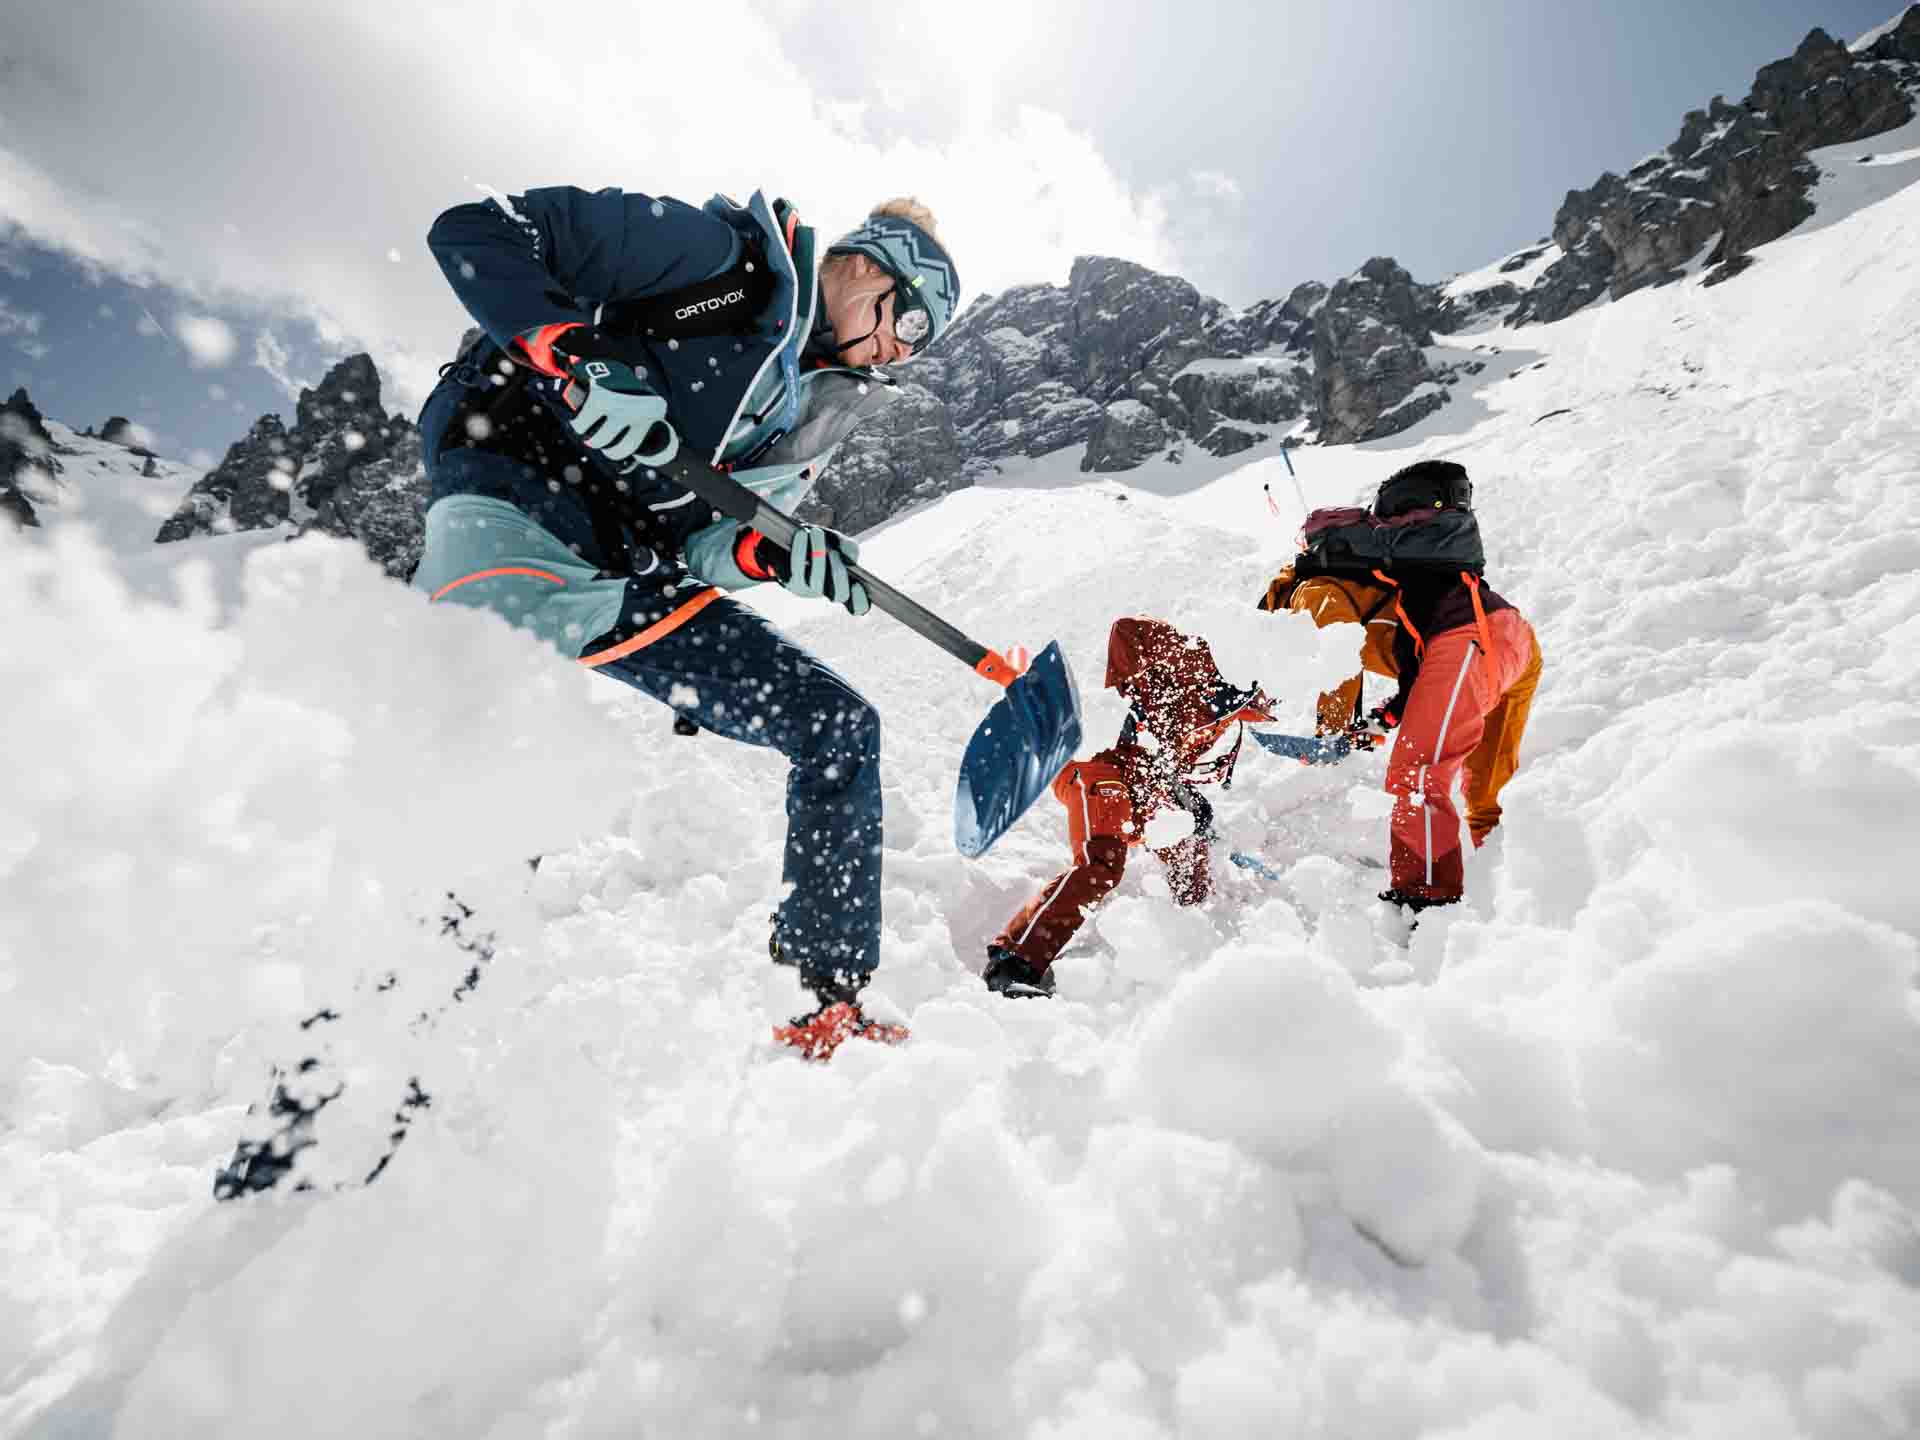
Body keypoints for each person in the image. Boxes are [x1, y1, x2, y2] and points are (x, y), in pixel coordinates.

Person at [413, 184, 962, 1057]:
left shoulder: (821, 410)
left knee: (836, 724)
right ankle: (382, 1058)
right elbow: (473, 227)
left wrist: (775, 554)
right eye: (912, 324)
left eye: (917, 346)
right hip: (512, 509)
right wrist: (577, 353)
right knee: (496, 785)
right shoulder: (726, 264)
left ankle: (829, 996)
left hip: (618, 572)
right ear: (864, 267)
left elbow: (710, 543)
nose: (901, 351)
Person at [1261, 460, 1541, 912]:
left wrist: (1332, 728)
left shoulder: (1393, 552)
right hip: (1509, 640)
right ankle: (1518, 889)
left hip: (1466, 638)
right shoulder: (1414, 565)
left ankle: (1425, 901)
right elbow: (1417, 676)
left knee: (1419, 774)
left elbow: (1338, 633)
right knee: (1486, 794)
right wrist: (1384, 719)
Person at [982, 618, 1273, 996]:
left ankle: (1197, 943)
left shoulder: (1218, 718)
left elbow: (1284, 741)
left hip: (1142, 791)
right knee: (1101, 865)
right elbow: (1127, 632)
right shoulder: (1187, 692)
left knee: (1188, 852)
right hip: (1101, 775)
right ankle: (1013, 962)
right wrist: (1190, 664)